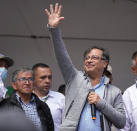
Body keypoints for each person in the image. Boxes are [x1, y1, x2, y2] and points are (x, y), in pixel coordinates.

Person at [45, 3, 126, 131]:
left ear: (105, 63)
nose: (89, 60)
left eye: (94, 58)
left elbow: (121, 122)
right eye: (87, 58)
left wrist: (101, 103)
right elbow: (61, 56)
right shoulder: (74, 78)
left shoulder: (114, 92)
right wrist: (54, 30)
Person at [32, 63, 65, 131]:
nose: (47, 81)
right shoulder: (25, 99)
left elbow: (68, 125)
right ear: (33, 79)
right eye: (43, 77)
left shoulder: (60, 98)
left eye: (49, 77)